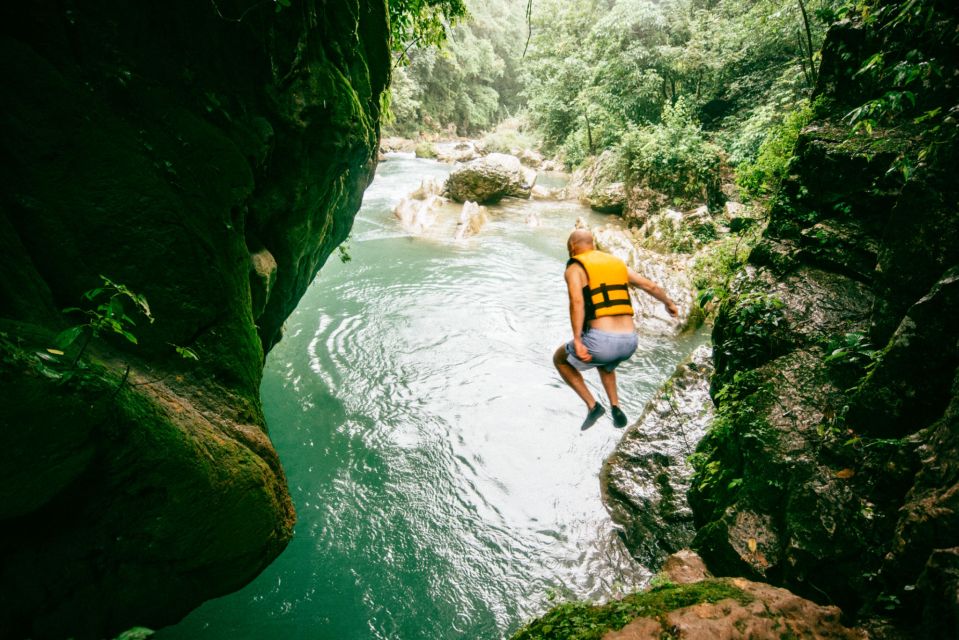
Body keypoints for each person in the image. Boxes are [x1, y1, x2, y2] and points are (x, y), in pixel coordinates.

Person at [553, 229, 679, 430]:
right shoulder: (616, 264)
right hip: (630, 342)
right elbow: (650, 286)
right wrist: (668, 303)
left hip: (602, 342)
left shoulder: (575, 268)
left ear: (572, 247)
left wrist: (577, 339)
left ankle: (593, 406)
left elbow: (577, 302)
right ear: (592, 244)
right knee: (606, 363)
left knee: (559, 359)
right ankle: (615, 406)